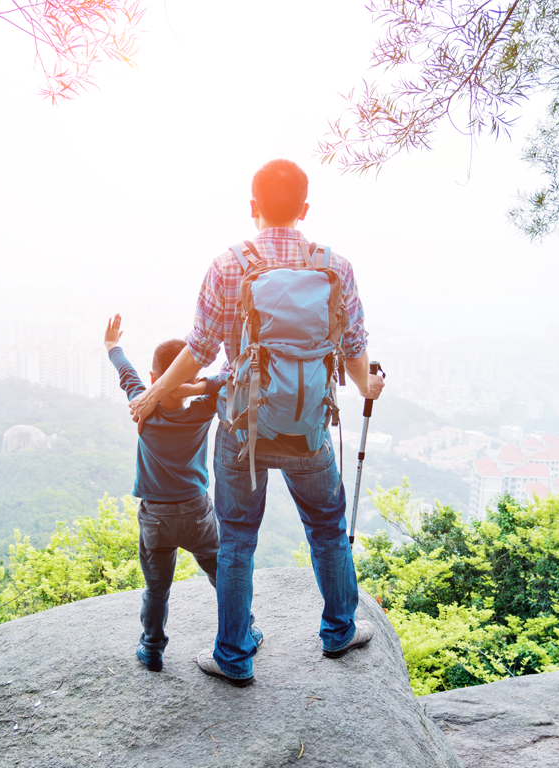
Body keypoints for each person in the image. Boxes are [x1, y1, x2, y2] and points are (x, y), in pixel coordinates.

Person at [128, 159, 386, 687]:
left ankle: (234, 655)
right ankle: (339, 630)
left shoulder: (229, 264)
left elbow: (199, 350)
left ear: (253, 208)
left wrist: (154, 394)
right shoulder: (335, 267)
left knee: (238, 541)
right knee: (328, 529)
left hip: (244, 432)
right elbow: (355, 352)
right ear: (305, 209)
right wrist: (366, 387)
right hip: (309, 431)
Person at [104, 314, 261, 672]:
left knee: (156, 590)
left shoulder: (142, 406)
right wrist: (192, 386)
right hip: (196, 513)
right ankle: (246, 628)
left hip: (155, 517)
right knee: (221, 575)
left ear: (155, 379)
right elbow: (226, 380)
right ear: (188, 377)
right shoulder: (201, 412)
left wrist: (112, 344)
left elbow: (125, 370)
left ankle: (152, 649)